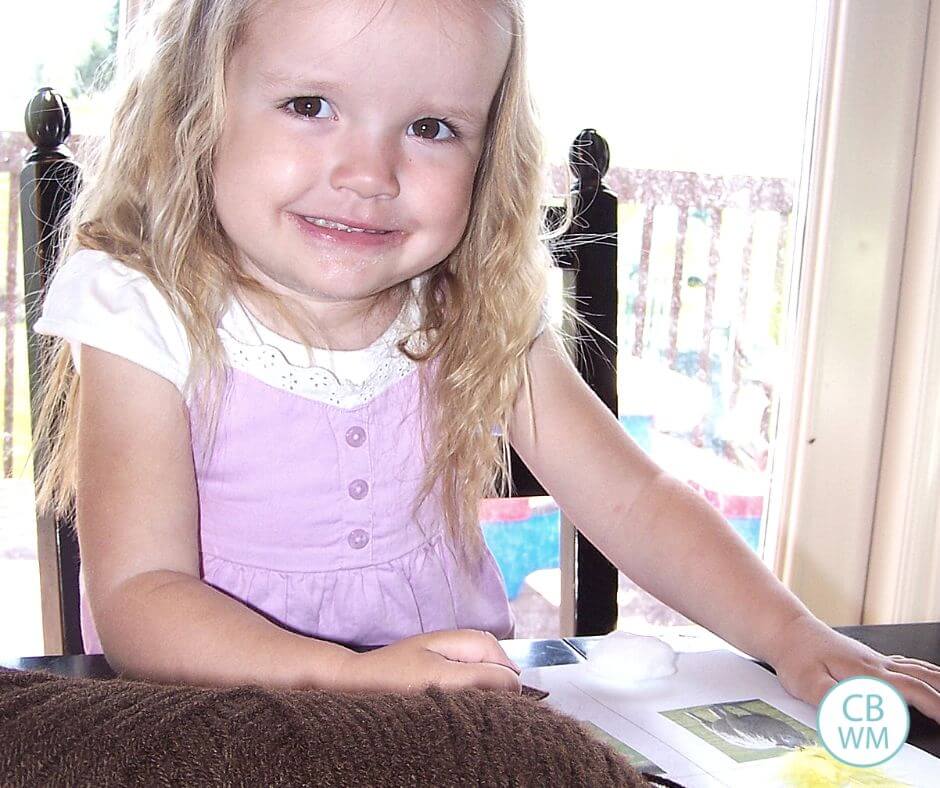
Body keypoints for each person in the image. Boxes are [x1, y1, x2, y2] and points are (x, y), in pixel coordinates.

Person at [33, 0, 940, 720]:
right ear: (202, 105)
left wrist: (792, 633)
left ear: (490, 150)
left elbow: (632, 500)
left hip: (453, 719)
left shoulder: (470, 305)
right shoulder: (140, 303)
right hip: (222, 716)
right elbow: (140, 593)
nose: (370, 172)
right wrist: (345, 680)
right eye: (310, 106)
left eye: (432, 127)